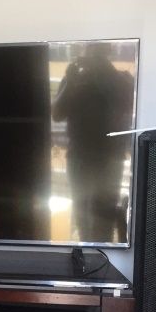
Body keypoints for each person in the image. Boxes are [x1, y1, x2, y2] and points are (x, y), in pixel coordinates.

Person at [52, 43, 134, 242]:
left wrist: (101, 72)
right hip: (79, 155)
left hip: (109, 157)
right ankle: (87, 252)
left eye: (95, 51)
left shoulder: (121, 79)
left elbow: (125, 104)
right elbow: (57, 114)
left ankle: (101, 252)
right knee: (81, 212)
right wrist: (70, 82)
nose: (90, 55)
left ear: (107, 53)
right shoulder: (75, 79)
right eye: (88, 51)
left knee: (104, 213)